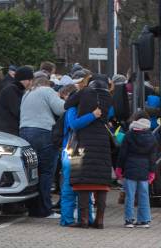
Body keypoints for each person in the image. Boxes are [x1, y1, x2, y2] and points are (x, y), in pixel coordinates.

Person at [64, 74, 115, 229]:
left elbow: (68, 108)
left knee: (82, 180)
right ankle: (99, 221)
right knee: (101, 181)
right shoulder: (108, 98)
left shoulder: (82, 95)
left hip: (82, 143)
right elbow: (111, 114)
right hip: (102, 144)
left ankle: (84, 220)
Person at [20, 77, 65, 218]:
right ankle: (45, 209)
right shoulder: (47, 90)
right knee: (46, 172)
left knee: (32, 172)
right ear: (47, 83)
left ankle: (32, 209)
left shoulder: (27, 93)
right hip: (43, 132)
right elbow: (61, 109)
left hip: (24, 132)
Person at [59, 84, 101, 226]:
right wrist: (92, 115)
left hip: (79, 151)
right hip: (73, 151)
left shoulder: (80, 108)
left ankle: (85, 218)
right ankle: (67, 219)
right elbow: (74, 125)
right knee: (71, 186)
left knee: (84, 186)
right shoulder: (72, 109)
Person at [115, 110, 158, 228]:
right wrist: (152, 172)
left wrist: (119, 168)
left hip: (130, 169)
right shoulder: (151, 136)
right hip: (144, 170)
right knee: (144, 194)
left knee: (130, 195)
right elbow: (153, 157)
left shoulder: (129, 135)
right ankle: (144, 220)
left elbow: (122, 154)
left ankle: (129, 220)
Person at [0, 66, 33, 136]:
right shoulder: (11, 90)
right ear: (25, 80)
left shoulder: (17, 90)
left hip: (12, 129)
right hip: (9, 131)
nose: (31, 83)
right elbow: (18, 111)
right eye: (30, 80)